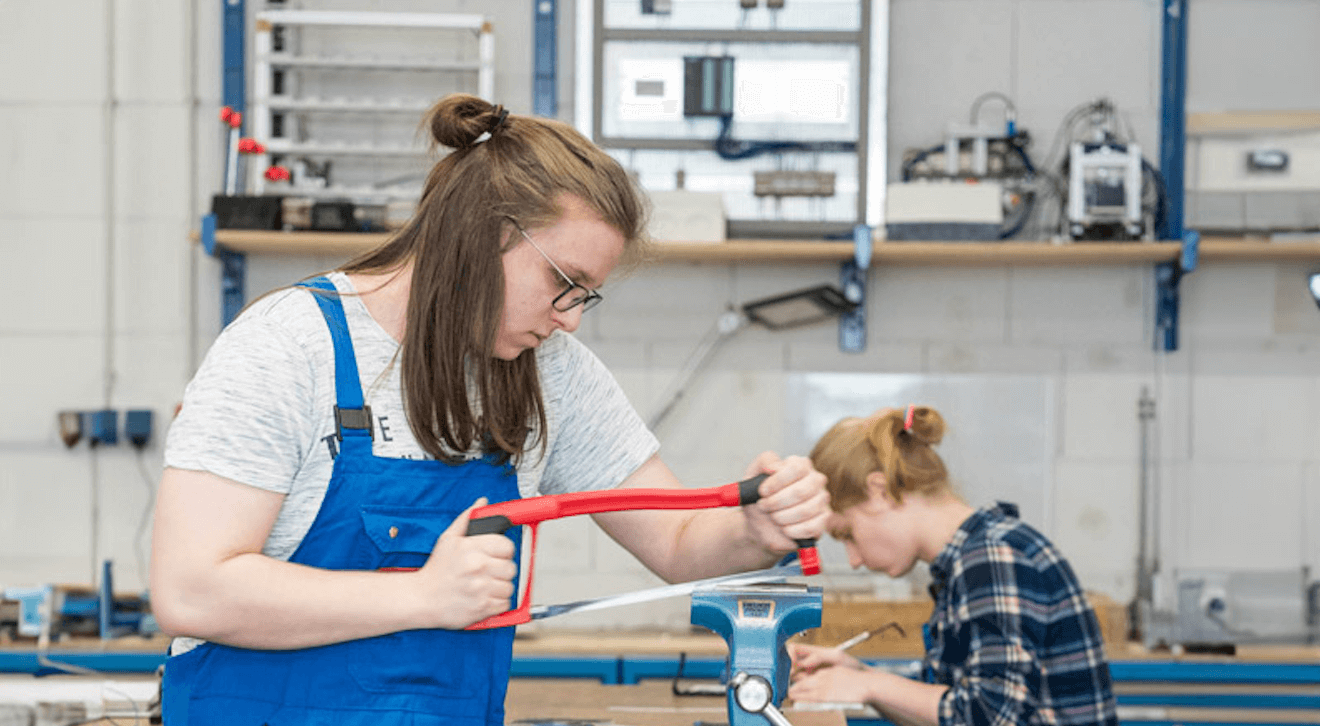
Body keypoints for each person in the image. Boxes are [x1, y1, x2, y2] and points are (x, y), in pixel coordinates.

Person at [150, 93, 829, 726]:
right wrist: (422, 597)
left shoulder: (550, 373)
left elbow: (680, 547)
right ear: (485, 234)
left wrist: (756, 528)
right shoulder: (289, 346)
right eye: (564, 284)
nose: (569, 321)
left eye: (584, 296)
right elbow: (191, 589)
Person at [788, 405, 1117, 726]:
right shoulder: (967, 563)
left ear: (880, 491)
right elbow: (949, 706)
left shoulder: (993, 557)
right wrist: (860, 675)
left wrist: (871, 686)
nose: (854, 560)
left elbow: (992, 715)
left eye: (848, 534)